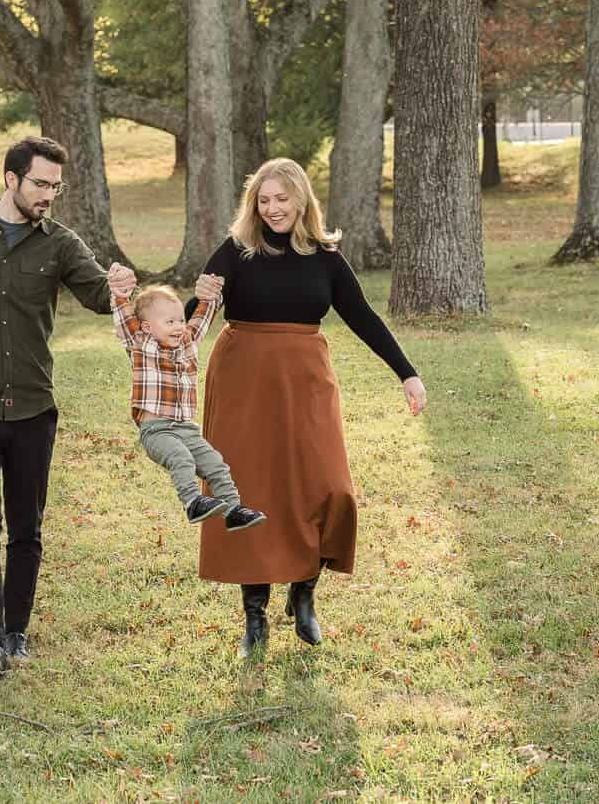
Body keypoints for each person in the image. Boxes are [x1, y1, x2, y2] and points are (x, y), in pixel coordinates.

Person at [0, 135, 133, 686]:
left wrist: (123, 287)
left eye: (56, 187)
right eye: (40, 184)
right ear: (10, 179)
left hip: (34, 409)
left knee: (27, 530)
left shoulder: (58, 243)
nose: (49, 196)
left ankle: (17, 631)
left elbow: (98, 295)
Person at [194, 158, 427, 657]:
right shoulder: (236, 252)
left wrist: (407, 372)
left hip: (305, 383)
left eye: (282, 198)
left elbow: (362, 317)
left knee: (328, 487)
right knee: (249, 491)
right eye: (264, 200)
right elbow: (195, 324)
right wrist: (198, 300)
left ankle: (303, 593)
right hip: (243, 383)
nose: (273, 208)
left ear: (301, 201)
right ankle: (254, 617)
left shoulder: (325, 257)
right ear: (253, 205)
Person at [108, 269, 267, 533]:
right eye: (169, 322)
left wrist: (213, 295)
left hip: (187, 429)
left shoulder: (187, 342)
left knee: (216, 464)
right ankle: (192, 502)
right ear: (147, 327)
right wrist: (120, 295)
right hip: (157, 432)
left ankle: (233, 510)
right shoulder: (140, 344)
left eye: (180, 320)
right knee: (181, 459)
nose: (179, 326)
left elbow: (203, 315)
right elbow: (124, 317)